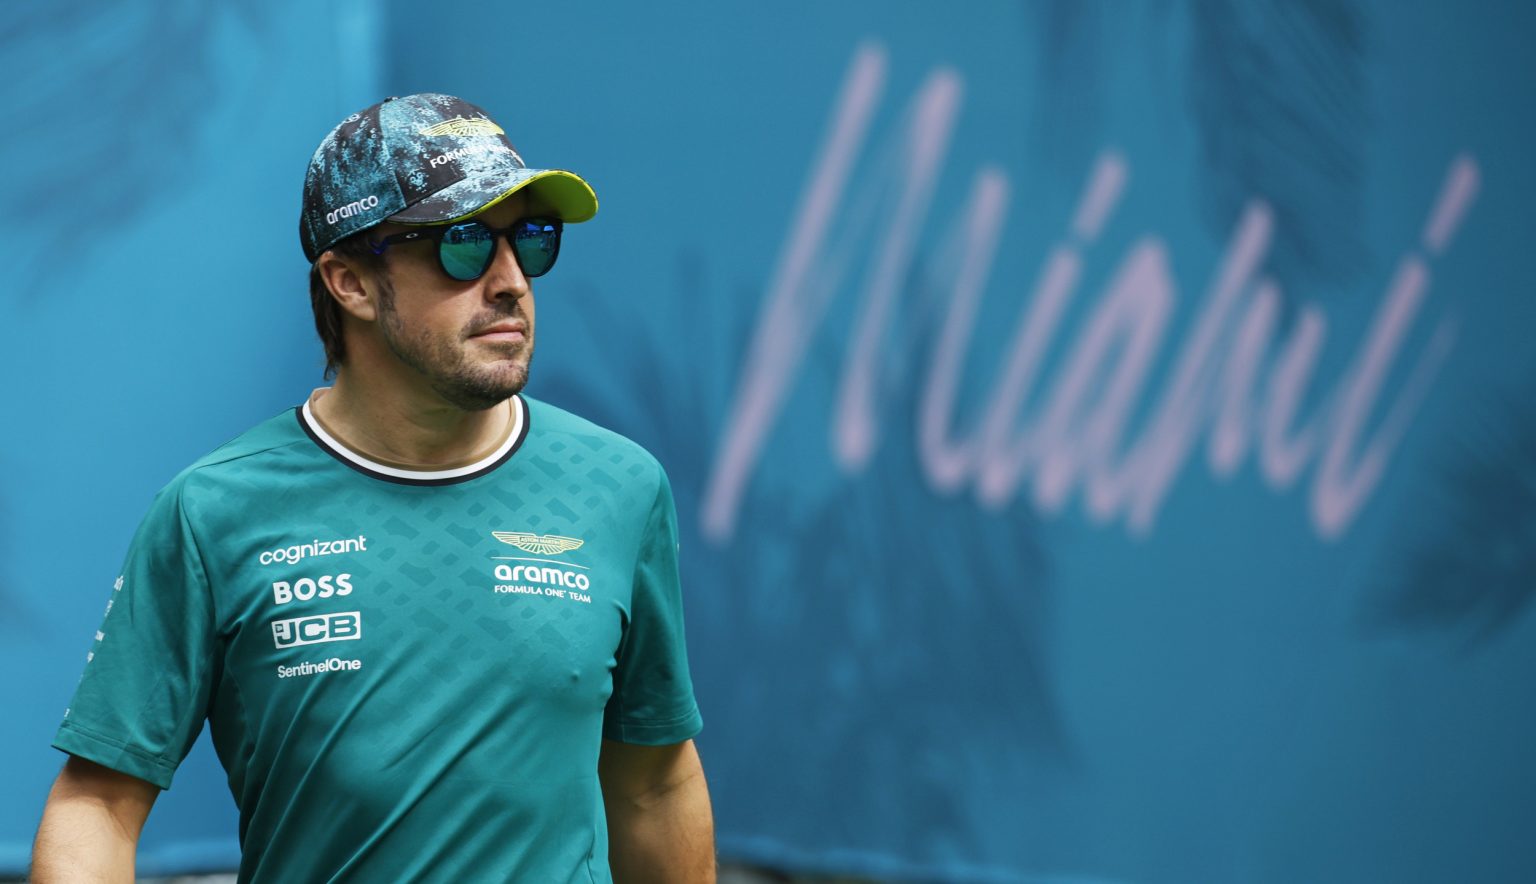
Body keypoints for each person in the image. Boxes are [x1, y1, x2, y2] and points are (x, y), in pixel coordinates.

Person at [30, 93, 714, 882]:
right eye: (463, 243)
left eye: (530, 240)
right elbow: (98, 804)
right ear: (350, 281)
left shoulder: (619, 485)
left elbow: (653, 783)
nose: (510, 281)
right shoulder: (213, 512)